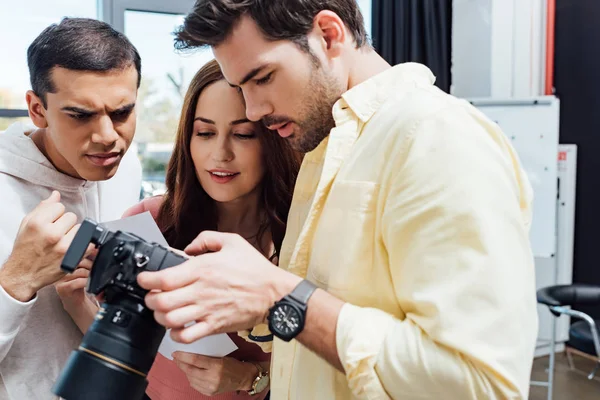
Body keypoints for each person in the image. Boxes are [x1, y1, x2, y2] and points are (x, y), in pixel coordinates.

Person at [137, 1, 539, 399]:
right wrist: (252, 300)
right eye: (241, 87)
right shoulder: (323, 151)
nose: (254, 109)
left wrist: (277, 296)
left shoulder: (438, 136)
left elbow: (478, 383)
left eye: (262, 78)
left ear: (328, 35)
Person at [121, 59, 301, 399]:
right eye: (204, 133)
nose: (220, 153)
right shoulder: (147, 223)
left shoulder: (301, 243)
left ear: (271, 140)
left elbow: (328, 365)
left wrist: (252, 377)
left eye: (243, 134)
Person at [0, 18, 142, 399]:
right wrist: (16, 280)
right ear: (37, 109)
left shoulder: (125, 168)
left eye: (122, 112)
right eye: (80, 115)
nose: (108, 137)